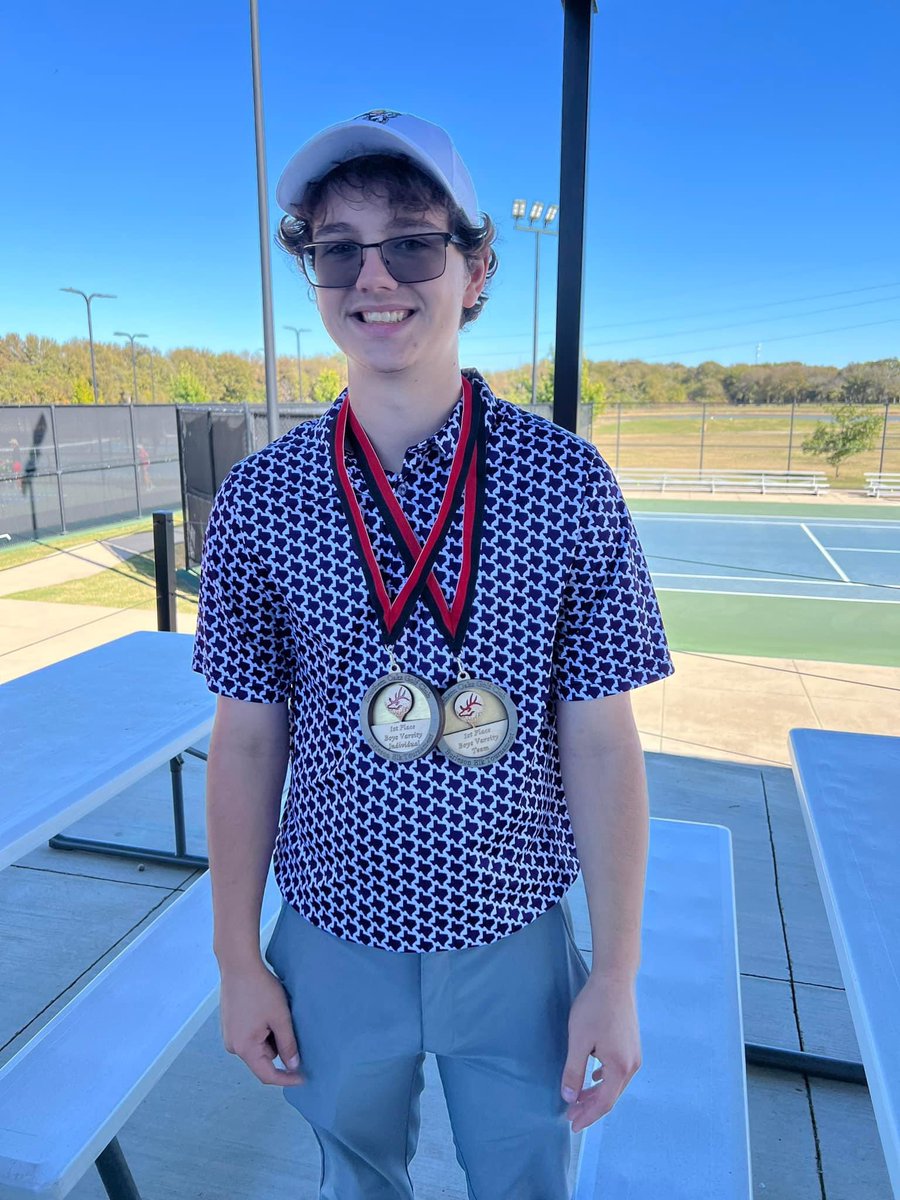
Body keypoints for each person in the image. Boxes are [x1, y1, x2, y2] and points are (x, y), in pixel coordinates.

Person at [191, 109, 674, 1200]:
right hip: (329, 932)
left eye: (412, 241)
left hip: (516, 936)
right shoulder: (261, 499)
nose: (376, 276)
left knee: (526, 1180)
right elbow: (247, 740)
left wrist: (619, 972)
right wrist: (237, 958)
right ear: (313, 275)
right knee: (356, 1178)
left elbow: (602, 745)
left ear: (476, 268)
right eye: (338, 250)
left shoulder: (568, 483)